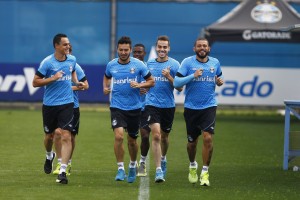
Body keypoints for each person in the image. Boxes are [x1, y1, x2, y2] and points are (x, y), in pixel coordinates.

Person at [32, 33, 85, 184]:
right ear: (56, 46)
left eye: (68, 44)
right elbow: (35, 82)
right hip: (50, 105)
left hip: (67, 103)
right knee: (49, 136)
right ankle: (49, 155)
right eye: (65, 44)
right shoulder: (47, 63)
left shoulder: (72, 59)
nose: (68, 46)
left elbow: (72, 69)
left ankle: (62, 171)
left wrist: (76, 82)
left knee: (66, 135)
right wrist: (53, 78)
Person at [103, 36, 155, 183]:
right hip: (117, 106)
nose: (124, 52)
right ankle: (120, 169)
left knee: (132, 141)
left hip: (135, 107)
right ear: (117, 50)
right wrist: (105, 87)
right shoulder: (111, 65)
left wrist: (140, 85)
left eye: (126, 50)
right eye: (121, 50)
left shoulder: (139, 65)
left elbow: (152, 81)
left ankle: (133, 165)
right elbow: (106, 77)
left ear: (130, 50)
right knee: (119, 136)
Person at [173, 37, 224, 186]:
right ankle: (192, 165)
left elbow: (218, 78)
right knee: (192, 143)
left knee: (208, 138)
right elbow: (176, 83)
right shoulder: (187, 63)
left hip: (209, 106)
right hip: (191, 108)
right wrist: (192, 76)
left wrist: (219, 81)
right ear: (194, 48)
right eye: (199, 46)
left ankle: (205, 172)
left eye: (205, 46)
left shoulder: (215, 62)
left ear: (209, 49)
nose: (202, 48)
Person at [139, 35, 182, 182]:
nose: (162, 49)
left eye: (165, 47)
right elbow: (144, 81)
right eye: (160, 47)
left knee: (164, 137)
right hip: (152, 105)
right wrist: (142, 87)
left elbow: (180, 87)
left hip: (168, 106)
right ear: (156, 47)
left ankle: (163, 158)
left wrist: (169, 76)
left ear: (168, 48)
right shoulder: (149, 64)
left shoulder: (175, 64)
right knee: (155, 135)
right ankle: (158, 170)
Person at [52, 44, 89, 176]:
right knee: (57, 133)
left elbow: (86, 85)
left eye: (68, 51)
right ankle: (59, 162)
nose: (66, 53)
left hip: (72, 106)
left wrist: (69, 88)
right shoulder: (54, 65)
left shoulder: (75, 67)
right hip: (57, 105)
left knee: (70, 137)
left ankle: (68, 163)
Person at [132, 43, 152, 177]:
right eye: (135, 52)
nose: (137, 55)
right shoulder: (129, 67)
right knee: (131, 138)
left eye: (140, 52)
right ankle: (132, 164)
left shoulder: (149, 68)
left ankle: (143, 162)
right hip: (131, 107)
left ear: (144, 54)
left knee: (145, 136)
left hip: (146, 107)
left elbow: (155, 83)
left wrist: (147, 87)